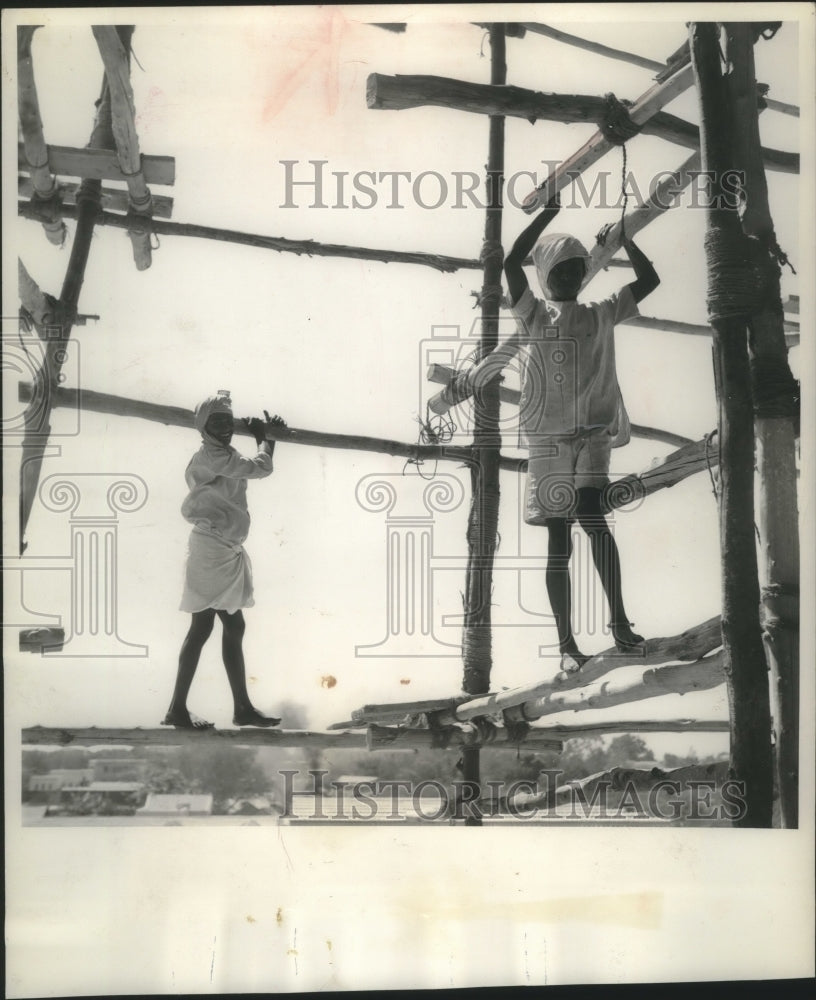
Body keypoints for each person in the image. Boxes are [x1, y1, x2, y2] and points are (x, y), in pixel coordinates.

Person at [463, 194, 660, 672]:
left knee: (594, 521)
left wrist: (626, 240)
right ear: (546, 277)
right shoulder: (534, 314)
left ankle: (620, 622)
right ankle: (567, 644)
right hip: (549, 442)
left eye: (576, 269)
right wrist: (547, 214)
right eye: (560, 271)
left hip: (592, 436)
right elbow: (512, 261)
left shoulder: (603, 312)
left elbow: (650, 281)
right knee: (559, 541)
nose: (569, 277)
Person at [162, 390, 287, 728]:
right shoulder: (211, 457)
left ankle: (237, 708)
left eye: (228, 422)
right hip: (212, 548)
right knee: (207, 626)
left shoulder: (222, 455)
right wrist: (265, 438)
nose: (226, 428)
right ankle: (183, 709)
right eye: (217, 422)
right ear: (204, 426)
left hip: (223, 548)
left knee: (228, 625)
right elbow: (260, 469)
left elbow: (253, 468)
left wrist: (267, 438)